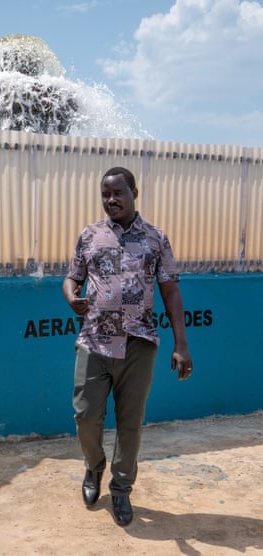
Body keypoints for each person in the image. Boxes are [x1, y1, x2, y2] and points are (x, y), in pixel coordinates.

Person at [62, 166, 193, 527]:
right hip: (94, 342)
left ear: (134, 192)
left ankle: (121, 489)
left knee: (130, 424)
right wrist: (72, 296)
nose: (111, 200)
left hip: (139, 344)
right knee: (85, 415)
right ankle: (94, 467)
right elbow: (72, 278)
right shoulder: (89, 236)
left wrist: (181, 344)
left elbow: (171, 290)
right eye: (105, 194)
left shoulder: (156, 239)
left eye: (118, 193)